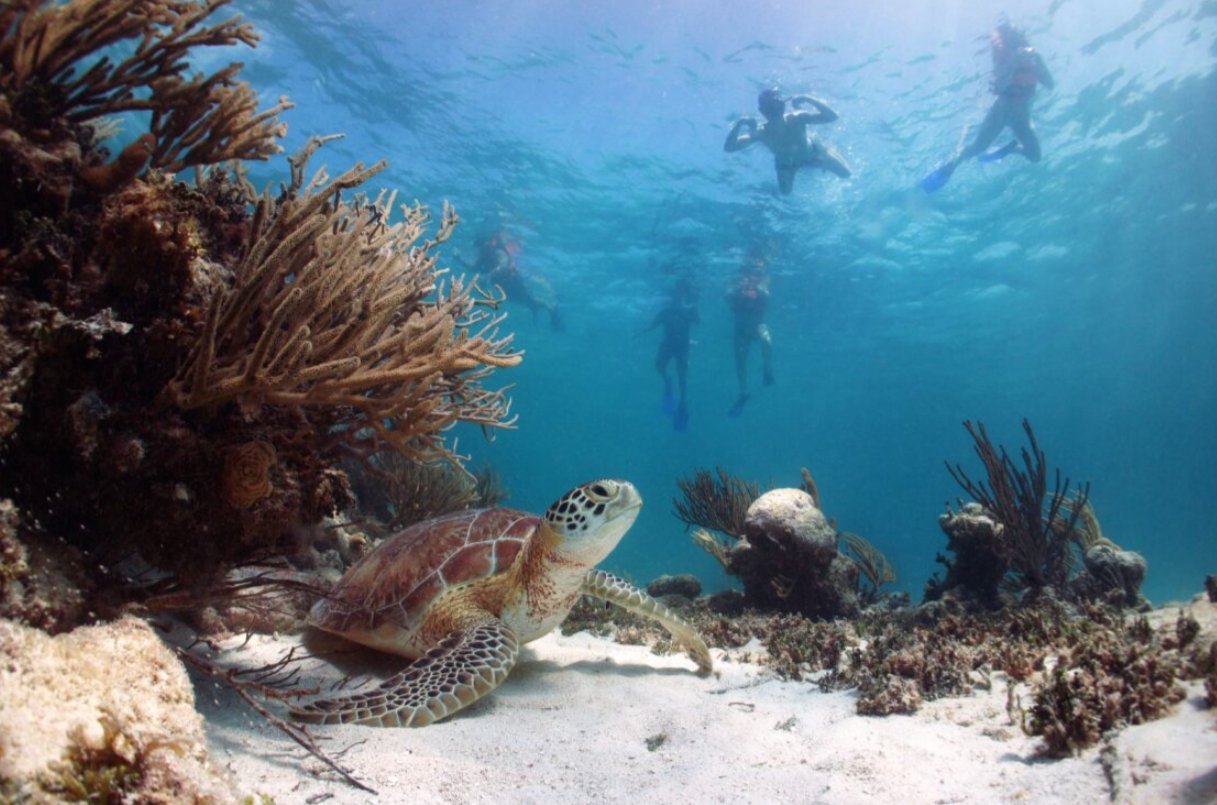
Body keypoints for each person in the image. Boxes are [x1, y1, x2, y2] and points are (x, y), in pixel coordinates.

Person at [921, 21, 1055, 193]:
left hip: (1022, 117)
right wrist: (1015, 60)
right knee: (978, 147)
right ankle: (950, 167)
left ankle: (1012, 149)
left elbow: (1050, 84)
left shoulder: (1031, 57)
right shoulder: (1005, 59)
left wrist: (1038, 60)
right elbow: (1000, 84)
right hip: (1001, 112)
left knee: (1035, 156)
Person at [724, 88, 852, 195]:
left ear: (783, 105)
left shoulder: (797, 118)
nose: (773, 109)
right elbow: (729, 148)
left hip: (814, 154)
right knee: (785, 193)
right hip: (787, 166)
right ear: (762, 111)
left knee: (846, 174)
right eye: (769, 106)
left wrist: (808, 98)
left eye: (774, 104)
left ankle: (829, 150)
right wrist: (739, 124)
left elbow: (832, 117)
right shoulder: (760, 132)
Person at [458, 230, 563, 330]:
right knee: (527, 301)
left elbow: (505, 264)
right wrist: (459, 260)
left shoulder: (498, 251)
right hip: (504, 287)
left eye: (484, 245)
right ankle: (550, 310)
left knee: (528, 299)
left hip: (513, 281)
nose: (482, 248)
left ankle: (553, 311)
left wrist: (488, 276)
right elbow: (474, 268)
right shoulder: (483, 256)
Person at [642, 276, 699, 431]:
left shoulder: (689, 310)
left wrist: (690, 308)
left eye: (682, 294)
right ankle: (668, 381)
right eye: (676, 294)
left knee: (683, 376)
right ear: (672, 296)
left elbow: (697, 321)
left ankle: (683, 402)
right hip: (667, 344)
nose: (679, 297)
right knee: (659, 366)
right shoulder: (665, 312)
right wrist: (640, 332)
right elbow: (652, 325)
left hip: (683, 346)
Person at [725, 254, 774, 417]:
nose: (753, 272)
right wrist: (738, 290)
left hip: (757, 322)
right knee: (740, 360)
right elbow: (726, 296)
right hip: (740, 326)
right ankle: (743, 391)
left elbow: (766, 294)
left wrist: (758, 291)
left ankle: (767, 367)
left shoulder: (764, 279)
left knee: (766, 339)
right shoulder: (736, 280)